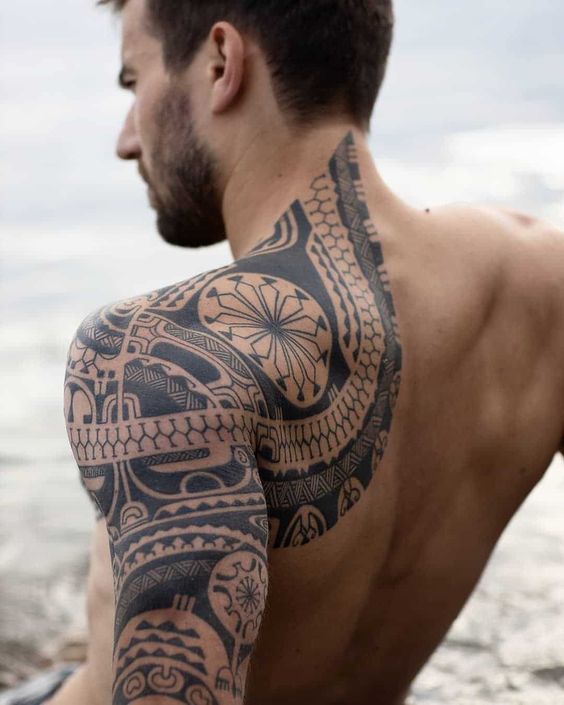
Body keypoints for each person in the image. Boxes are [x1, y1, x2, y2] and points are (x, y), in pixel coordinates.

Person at [3, 0, 563, 703]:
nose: (126, 139)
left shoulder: (161, 354)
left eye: (132, 81)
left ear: (221, 63)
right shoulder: (544, 279)